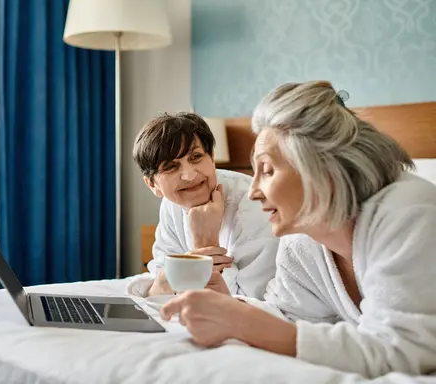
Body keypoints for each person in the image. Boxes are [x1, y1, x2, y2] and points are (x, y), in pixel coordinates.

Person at [159, 81, 436, 378]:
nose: (253, 192)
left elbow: (406, 351)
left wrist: (245, 322)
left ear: (320, 168)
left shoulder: (408, 213)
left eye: (266, 171)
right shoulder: (302, 243)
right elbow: (288, 319)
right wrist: (226, 304)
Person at [127, 112, 279, 299]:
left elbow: (248, 304)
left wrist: (203, 247)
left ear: (212, 158)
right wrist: (194, 260)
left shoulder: (255, 205)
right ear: (153, 185)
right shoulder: (171, 203)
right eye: (171, 167)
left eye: (196, 157)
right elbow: (159, 286)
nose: (189, 175)